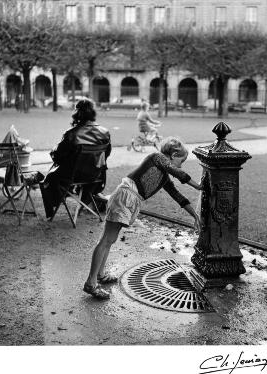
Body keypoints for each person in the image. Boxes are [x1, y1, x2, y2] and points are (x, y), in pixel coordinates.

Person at [83, 136, 202, 300]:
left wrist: (194, 215)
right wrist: (198, 186)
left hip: (130, 198)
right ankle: (91, 283)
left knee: (109, 240)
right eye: (181, 160)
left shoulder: (163, 175)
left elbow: (177, 195)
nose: (181, 165)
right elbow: (176, 171)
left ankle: (100, 275)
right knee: (106, 240)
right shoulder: (157, 157)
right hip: (125, 196)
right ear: (173, 154)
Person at [40, 99, 111, 218]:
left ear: (77, 114)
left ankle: (53, 207)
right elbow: (106, 154)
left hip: (72, 177)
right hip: (96, 176)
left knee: (48, 178)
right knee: (61, 173)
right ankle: (81, 199)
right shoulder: (105, 132)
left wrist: (53, 150)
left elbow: (57, 157)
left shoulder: (72, 134)